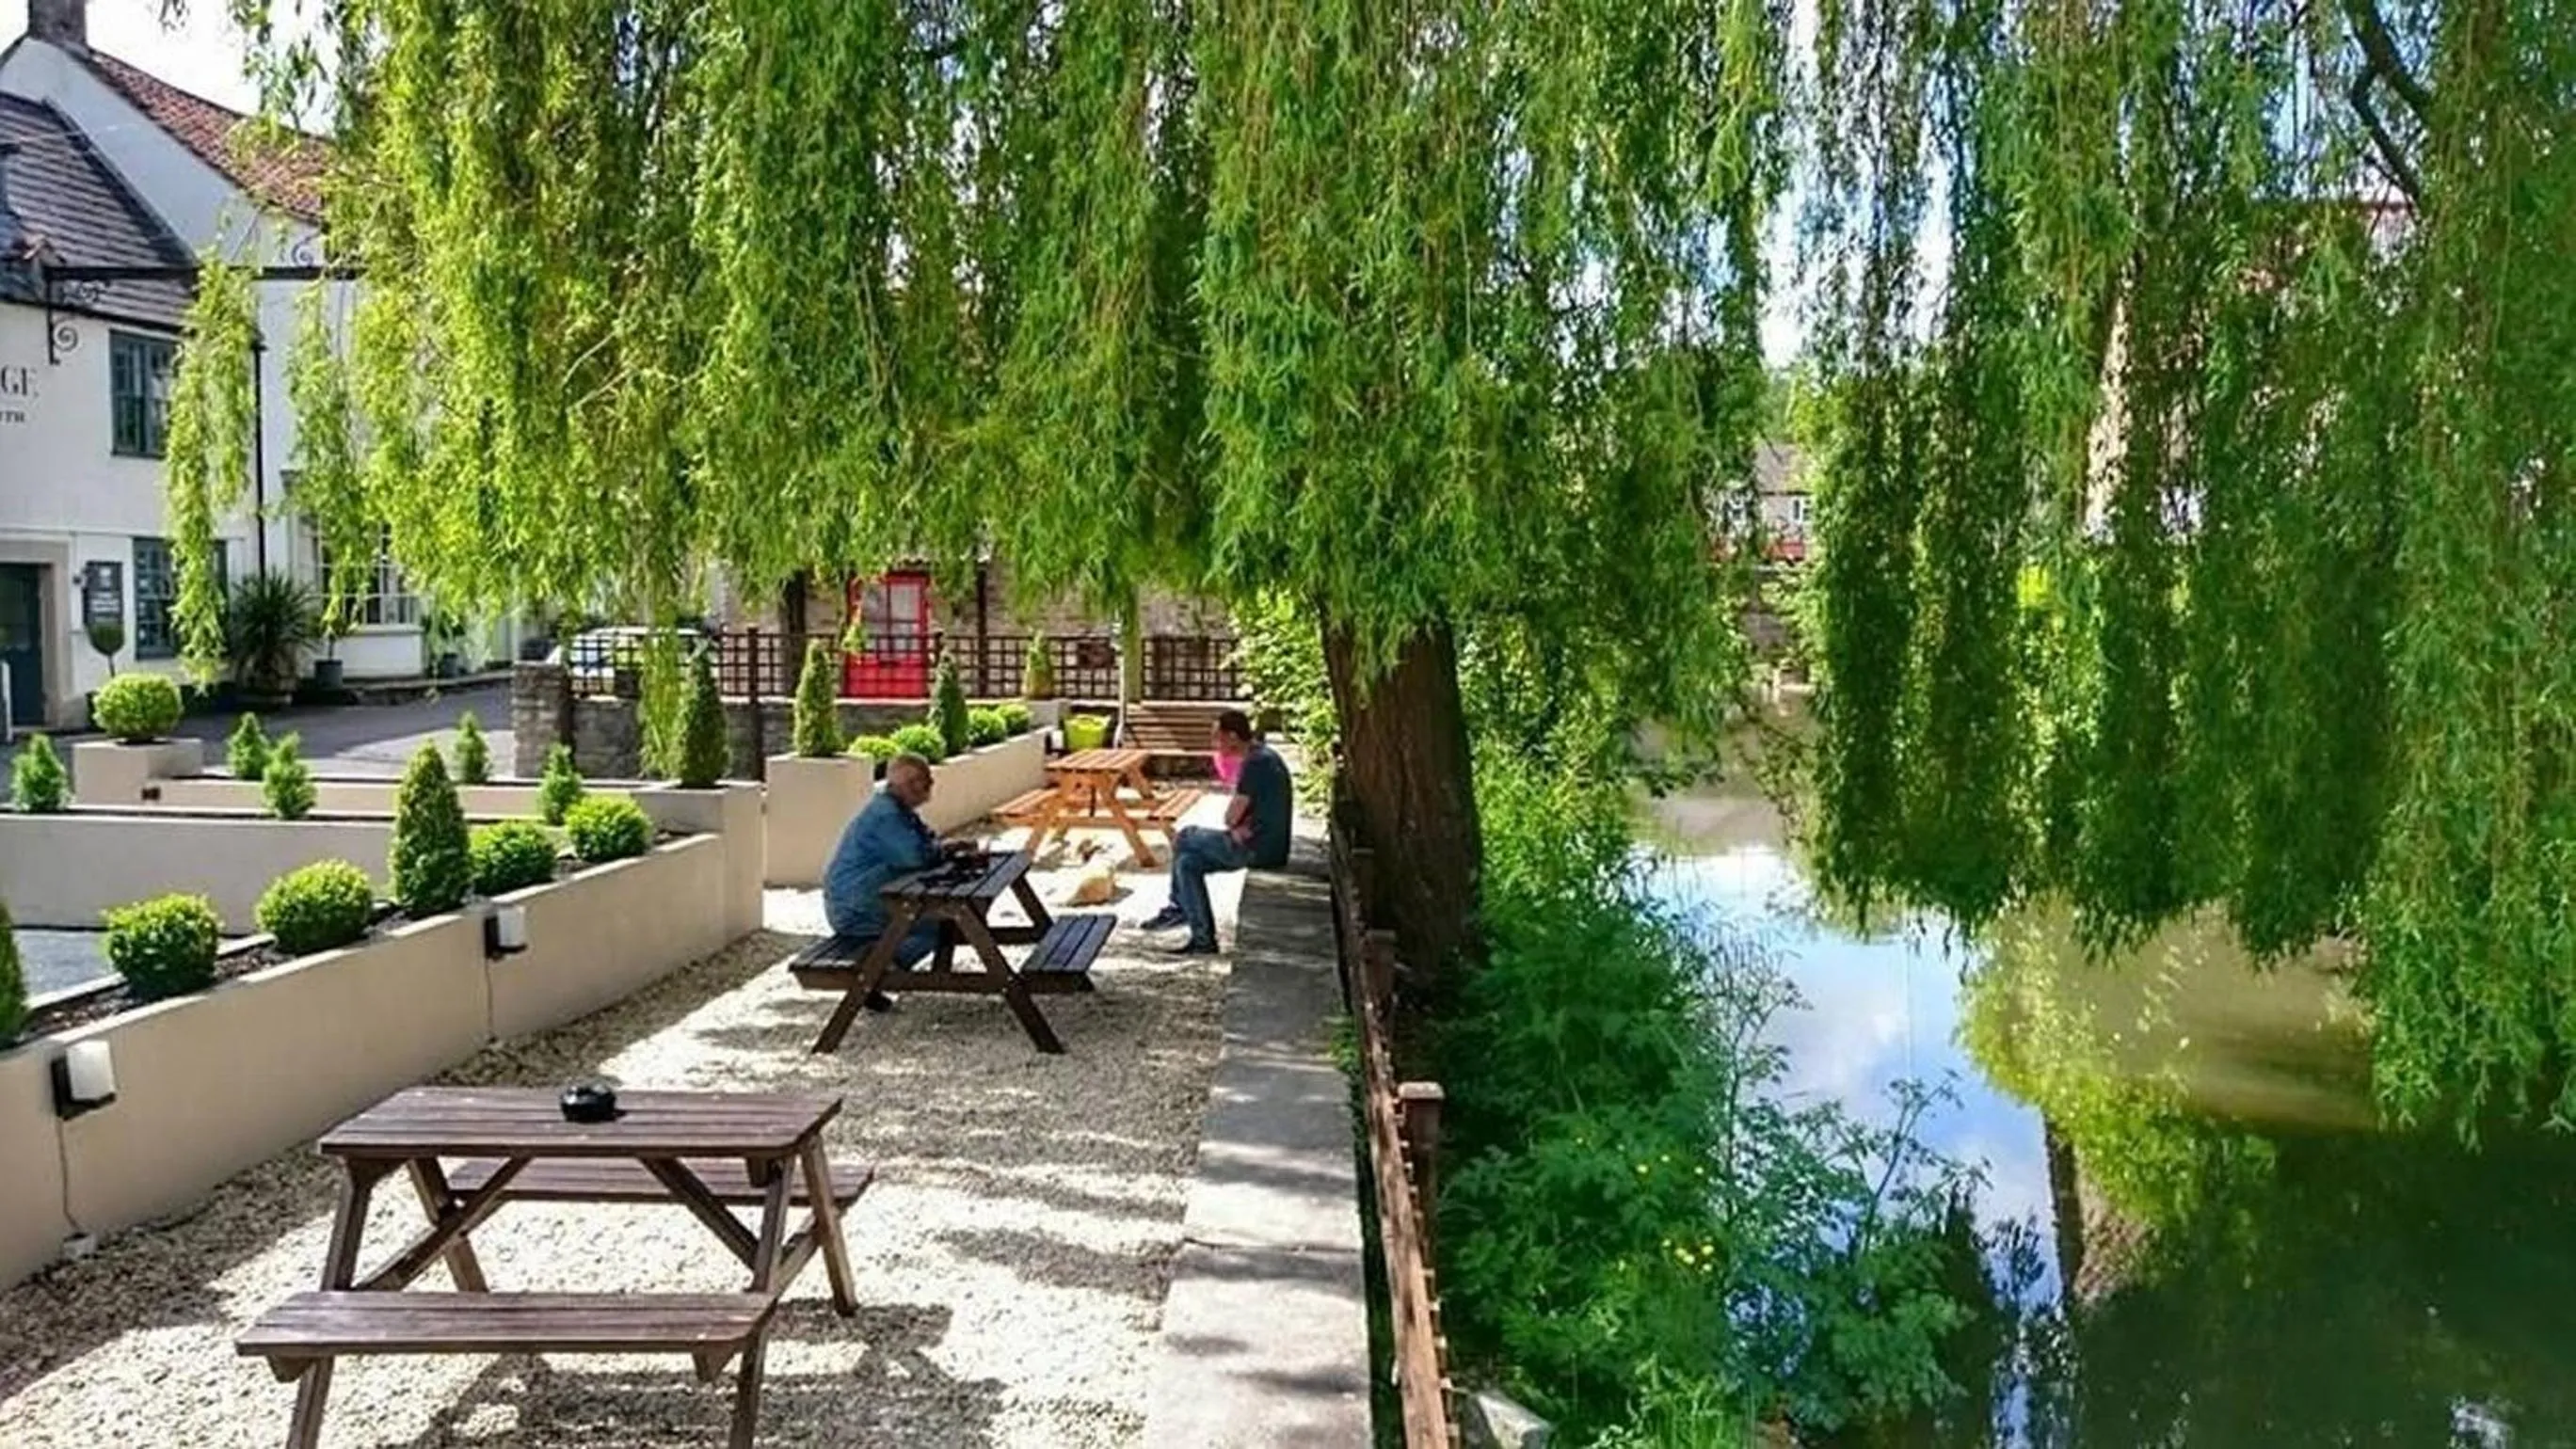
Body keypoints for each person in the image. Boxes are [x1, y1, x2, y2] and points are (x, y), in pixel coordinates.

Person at [824, 753, 969, 1010]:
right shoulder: (886, 815)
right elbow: (914, 857)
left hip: (866, 899)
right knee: (940, 924)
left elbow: (926, 842)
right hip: (854, 910)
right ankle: (872, 972)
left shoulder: (898, 810)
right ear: (910, 784)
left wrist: (943, 849)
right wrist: (942, 851)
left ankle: (875, 973)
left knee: (943, 922)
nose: (930, 786)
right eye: (927, 781)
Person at [1144, 709, 1292, 954]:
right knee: (1187, 864)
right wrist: (1239, 826)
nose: (1214, 743)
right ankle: (1203, 940)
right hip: (1267, 844)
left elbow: (1230, 817)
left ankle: (1178, 908)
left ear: (1232, 737)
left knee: (1186, 836)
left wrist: (1238, 826)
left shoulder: (1255, 763)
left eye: (1217, 737)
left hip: (1259, 848)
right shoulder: (1264, 757)